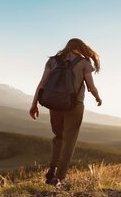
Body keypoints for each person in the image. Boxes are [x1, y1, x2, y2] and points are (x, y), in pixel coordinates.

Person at [30, 38, 102, 187]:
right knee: (69, 141)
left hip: (54, 103)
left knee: (58, 137)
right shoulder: (84, 63)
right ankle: (59, 177)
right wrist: (98, 98)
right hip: (74, 105)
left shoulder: (53, 61)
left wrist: (34, 103)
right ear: (81, 48)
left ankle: (52, 168)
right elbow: (91, 86)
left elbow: (42, 83)